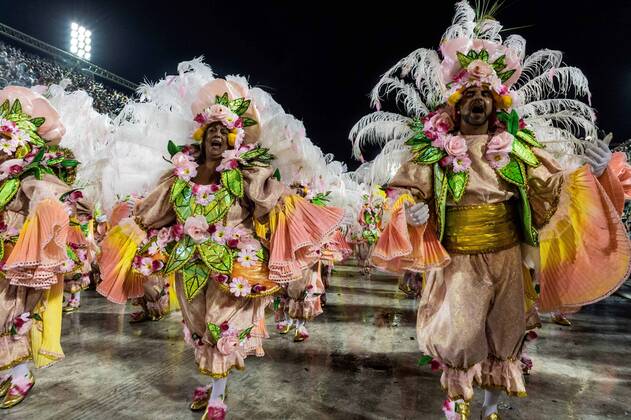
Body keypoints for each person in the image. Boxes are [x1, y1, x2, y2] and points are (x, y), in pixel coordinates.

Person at [350, 2, 631, 418]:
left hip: (506, 259)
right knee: (461, 336)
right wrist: (408, 210)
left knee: (504, 333)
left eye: (486, 94)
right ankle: (457, 409)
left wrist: (594, 172)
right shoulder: (433, 153)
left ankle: (490, 409)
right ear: (455, 105)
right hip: (456, 261)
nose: (478, 100)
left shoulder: (517, 149)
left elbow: (556, 189)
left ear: (497, 106)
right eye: (470, 94)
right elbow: (402, 192)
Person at [97, 78, 344, 420]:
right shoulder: (179, 176)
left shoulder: (245, 176)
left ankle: (217, 396)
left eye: (224, 130)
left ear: (235, 139)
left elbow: (272, 203)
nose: (217, 134)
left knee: (221, 326)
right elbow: (153, 212)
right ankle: (214, 382)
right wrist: (131, 239)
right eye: (211, 128)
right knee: (199, 327)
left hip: (236, 266)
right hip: (188, 266)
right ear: (200, 135)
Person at [0, 86, 93, 408]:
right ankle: (7, 371)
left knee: (11, 312)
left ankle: (22, 373)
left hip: (20, 258)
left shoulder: (33, 175)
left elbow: (68, 205)